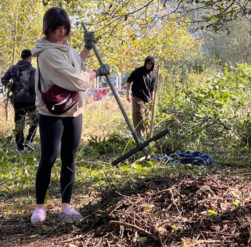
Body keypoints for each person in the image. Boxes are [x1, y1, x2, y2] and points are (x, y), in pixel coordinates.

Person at [30, 7, 110, 224]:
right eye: (57, 27)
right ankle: (39, 207)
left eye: (65, 27)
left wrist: (87, 48)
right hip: (51, 113)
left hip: (74, 111)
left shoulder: (66, 49)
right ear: (48, 28)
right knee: (48, 157)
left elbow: (77, 63)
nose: (62, 32)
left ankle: (66, 205)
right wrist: (96, 73)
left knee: (69, 158)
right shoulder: (46, 53)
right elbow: (73, 77)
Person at [1, 49, 38, 152]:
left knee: (19, 123)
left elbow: (4, 80)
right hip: (30, 100)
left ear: (21, 57)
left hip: (17, 100)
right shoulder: (32, 70)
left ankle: (20, 148)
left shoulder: (13, 68)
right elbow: (32, 85)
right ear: (30, 57)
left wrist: (12, 87)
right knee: (35, 120)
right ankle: (28, 140)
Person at [126, 56, 156, 138]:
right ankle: (139, 136)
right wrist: (128, 93)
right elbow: (128, 81)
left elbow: (152, 89)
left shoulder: (153, 74)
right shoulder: (138, 71)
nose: (148, 65)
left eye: (150, 64)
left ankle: (145, 136)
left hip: (147, 99)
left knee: (146, 119)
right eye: (147, 63)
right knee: (139, 117)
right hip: (137, 97)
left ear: (153, 65)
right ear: (145, 63)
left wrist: (153, 100)